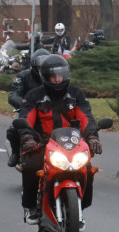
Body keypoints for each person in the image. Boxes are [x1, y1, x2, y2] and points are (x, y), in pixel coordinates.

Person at [15, 54, 101, 223]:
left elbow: (87, 118)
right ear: (45, 77)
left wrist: (92, 137)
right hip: (42, 144)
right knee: (31, 166)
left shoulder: (76, 95)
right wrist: (27, 138)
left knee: (88, 169)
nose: (57, 79)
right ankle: (31, 206)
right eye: (53, 76)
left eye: (60, 75)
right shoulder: (34, 96)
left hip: (73, 145)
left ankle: (79, 208)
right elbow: (26, 119)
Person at [6, 47, 50, 167]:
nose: (42, 71)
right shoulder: (23, 76)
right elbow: (13, 95)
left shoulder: (55, 77)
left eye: (44, 68)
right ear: (34, 67)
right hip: (28, 111)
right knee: (12, 130)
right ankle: (15, 153)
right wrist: (26, 104)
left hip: (50, 111)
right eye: (39, 68)